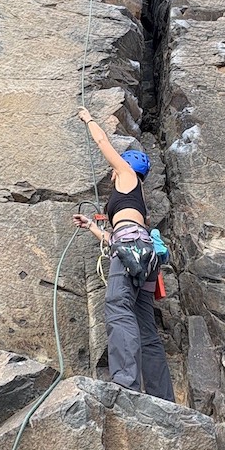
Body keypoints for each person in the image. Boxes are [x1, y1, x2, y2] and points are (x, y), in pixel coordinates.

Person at [73, 107, 175, 401]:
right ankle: (162, 397)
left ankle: (126, 383)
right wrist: (92, 226)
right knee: (145, 327)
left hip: (130, 252)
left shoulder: (127, 175)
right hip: (143, 255)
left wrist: (89, 119)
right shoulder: (135, 199)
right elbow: (115, 237)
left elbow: (102, 143)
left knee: (118, 308)